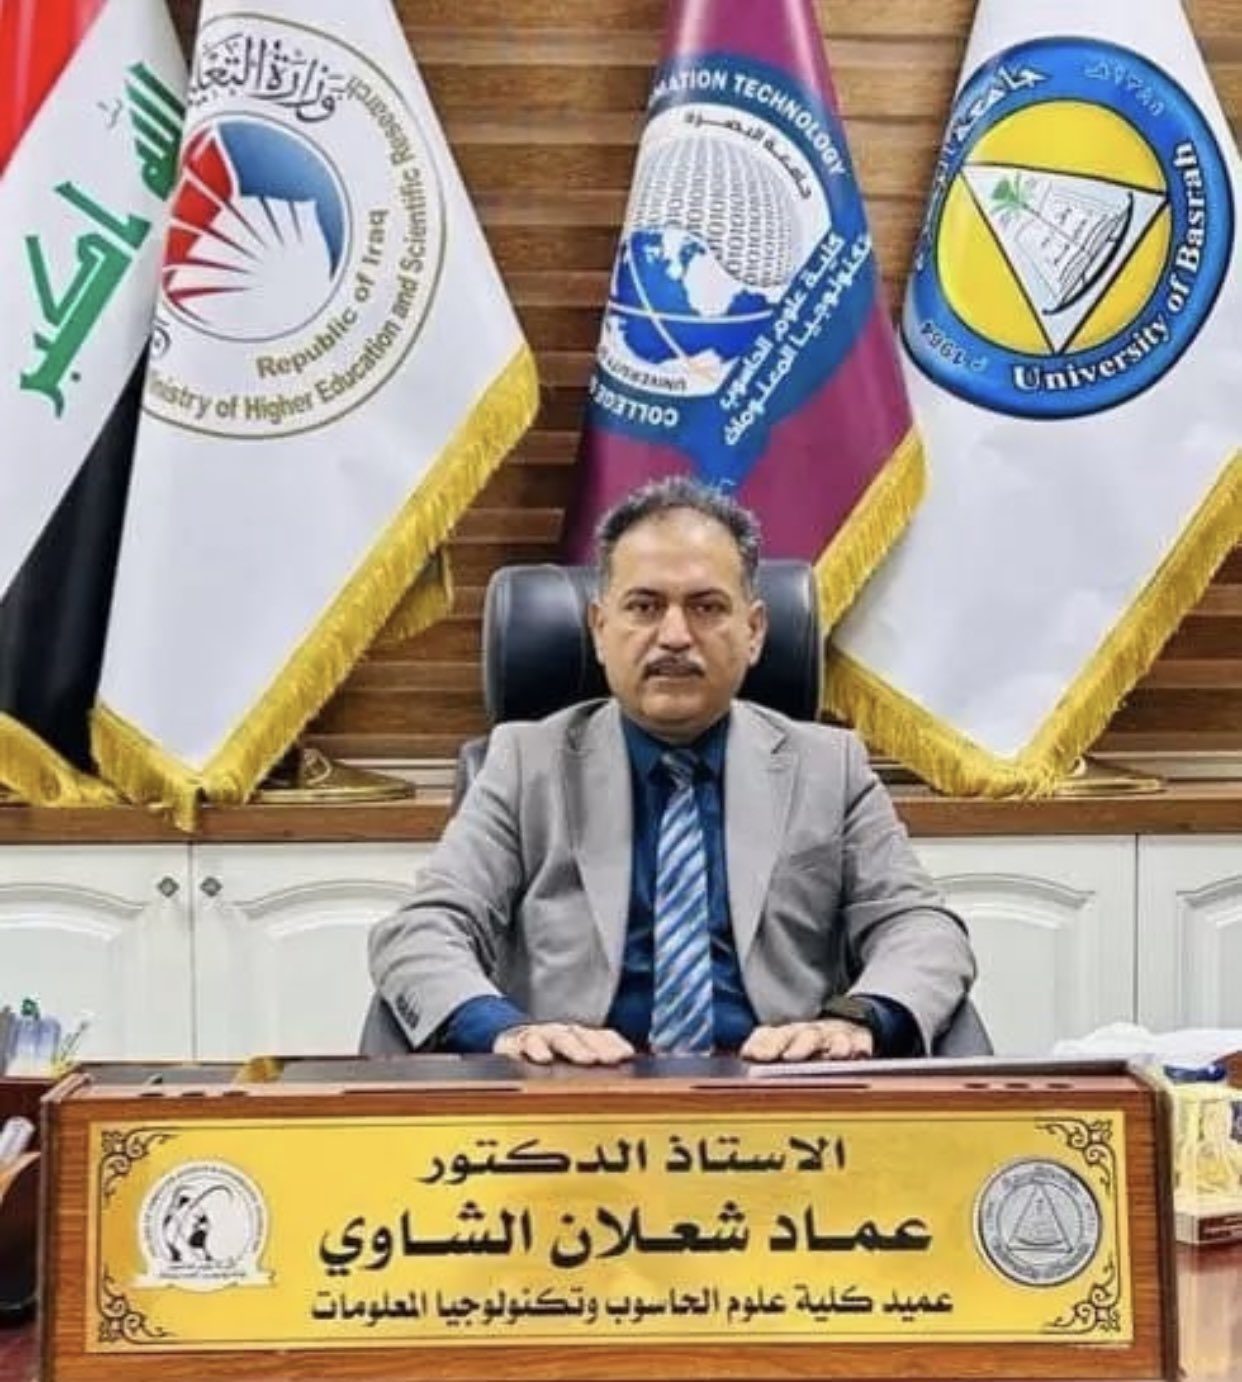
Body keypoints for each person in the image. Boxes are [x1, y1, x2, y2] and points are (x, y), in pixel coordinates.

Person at [370, 478, 975, 1065]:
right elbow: (423, 929)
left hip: (777, 1086)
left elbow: (920, 927)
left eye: (707, 608)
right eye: (644, 606)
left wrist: (859, 1019)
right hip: (574, 1088)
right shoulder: (526, 761)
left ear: (755, 631)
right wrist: (506, 1031)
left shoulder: (829, 766)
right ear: (600, 629)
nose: (676, 636)